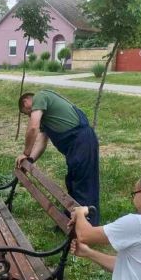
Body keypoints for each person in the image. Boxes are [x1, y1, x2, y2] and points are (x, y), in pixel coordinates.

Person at [16, 90, 100, 225]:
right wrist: (30, 159)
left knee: (83, 184)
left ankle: (86, 225)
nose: (29, 115)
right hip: (75, 147)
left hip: (82, 140)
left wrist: (25, 153)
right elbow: (41, 142)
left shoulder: (40, 96)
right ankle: (70, 220)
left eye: (27, 113)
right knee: (73, 181)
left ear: (26, 102)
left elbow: (33, 128)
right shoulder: (46, 117)